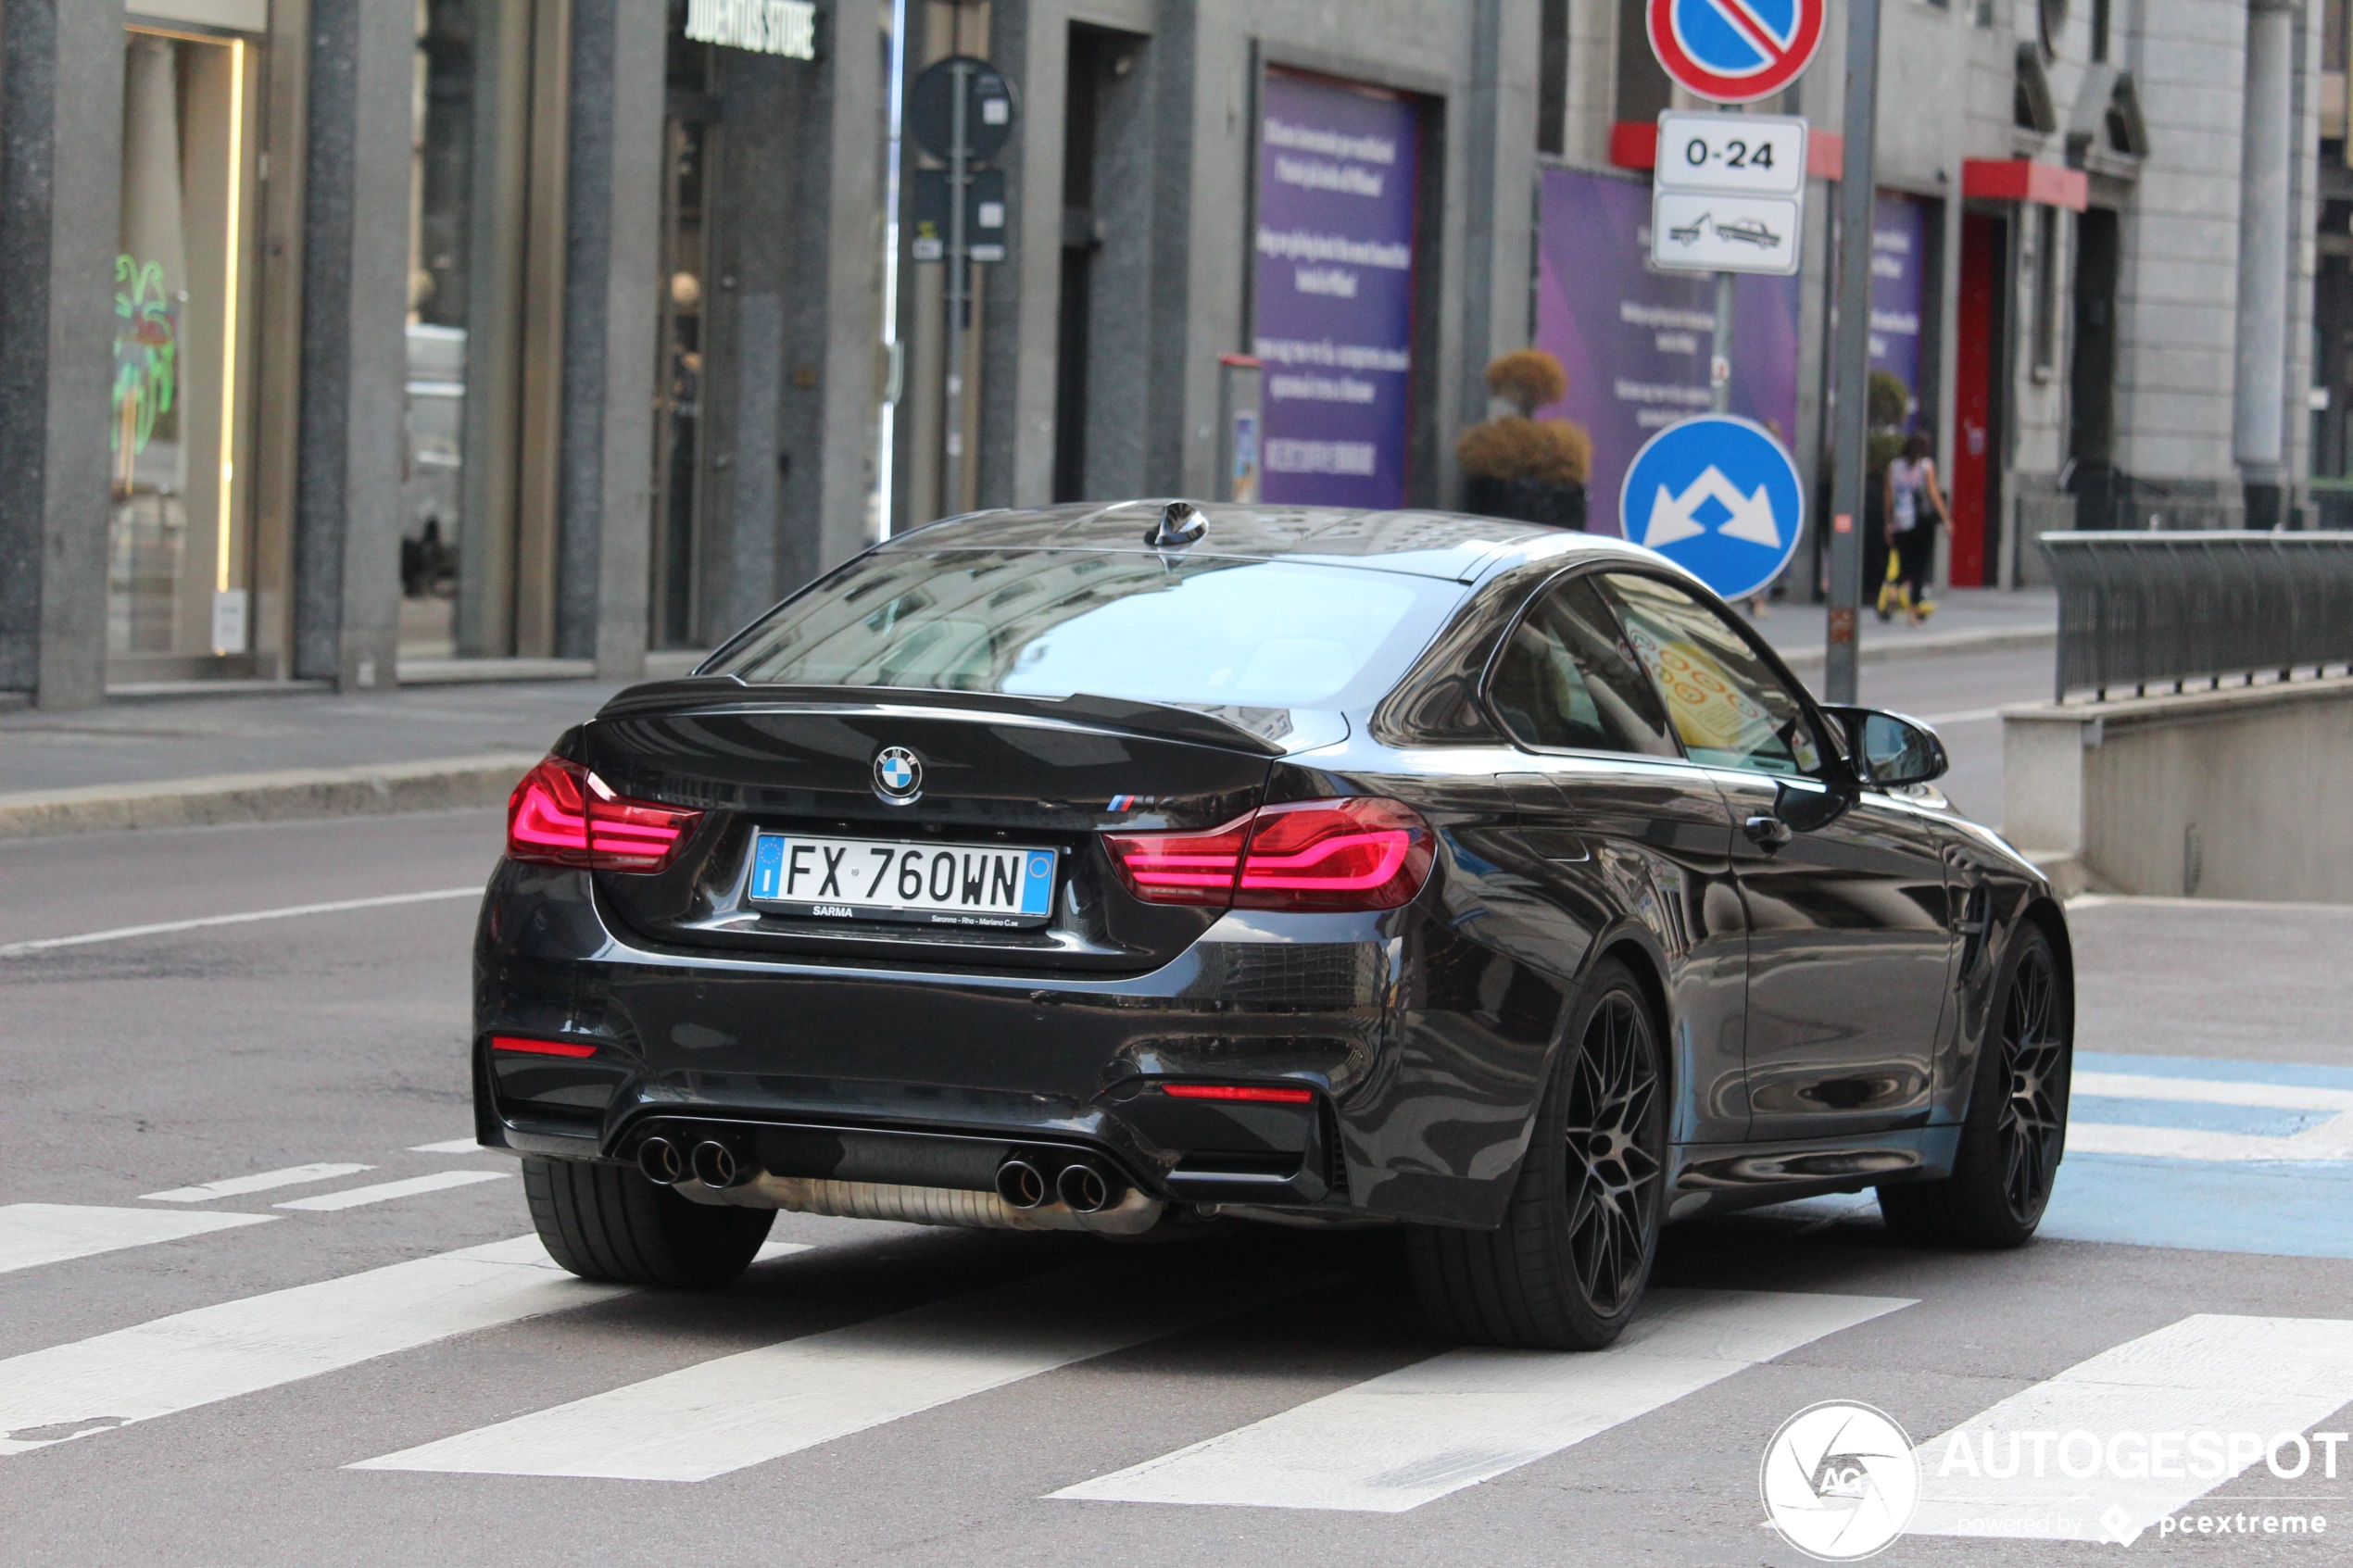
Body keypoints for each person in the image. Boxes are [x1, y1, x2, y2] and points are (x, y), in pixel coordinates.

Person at [1881, 432, 1949, 625]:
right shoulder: (1925, 466)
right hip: (1920, 523)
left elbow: (1888, 497)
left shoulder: (1894, 467)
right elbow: (1934, 495)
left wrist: (1888, 523)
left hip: (1900, 523)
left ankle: (1893, 590)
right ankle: (1913, 613)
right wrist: (1946, 519)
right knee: (1918, 568)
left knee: (1904, 563)